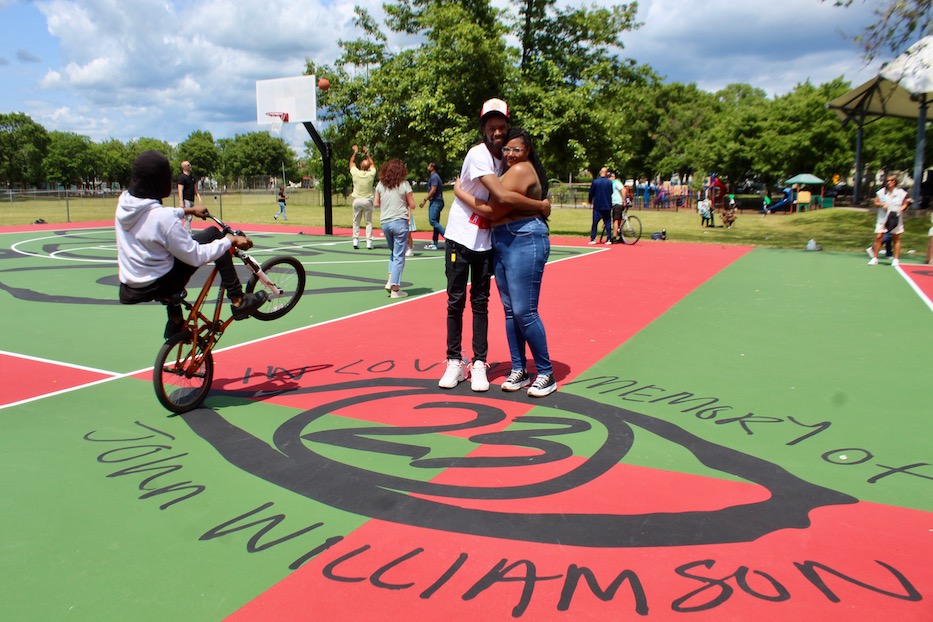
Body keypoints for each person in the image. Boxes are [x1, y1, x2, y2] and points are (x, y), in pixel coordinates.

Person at [438, 97, 549, 392]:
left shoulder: (507, 158)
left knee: (482, 304)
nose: (497, 132)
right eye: (491, 127)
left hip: (488, 240)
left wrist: (459, 190)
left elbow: (497, 205)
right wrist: (541, 205)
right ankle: (453, 361)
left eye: (502, 126)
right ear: (483, 128)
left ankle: (478, 364)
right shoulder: (478, 154)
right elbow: (498, 196)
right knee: (455, 300)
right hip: (462, 237)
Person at [116, 151, 266, 338]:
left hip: (131, 285)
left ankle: (176, 321)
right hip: (159, 284)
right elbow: (196, 256)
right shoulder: (163, 220)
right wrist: (230, 240)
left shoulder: (124, 203)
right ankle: (238, 299)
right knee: (213, 236)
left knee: (165, 255)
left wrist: (187, 210)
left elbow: (152, 213)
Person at [374, 159, 415, 298]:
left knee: (394, 252)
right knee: (399, 255)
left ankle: (390, 280)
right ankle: (395, 288)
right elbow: (412, 204)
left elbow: (376, 203)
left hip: (385, 222)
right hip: (400, 221)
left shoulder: (380, 185)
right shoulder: (404, 184)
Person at [868, 174, 910, 266]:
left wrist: (900, 209)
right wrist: (882, 204)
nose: (889, 182)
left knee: (896, 237)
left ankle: (896, 259)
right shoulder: (882, 192)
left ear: (895, 182)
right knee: (879, 237)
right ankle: (875, 258)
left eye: (891, 181)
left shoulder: (900, 192)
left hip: (895, 217)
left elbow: (905, 204)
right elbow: (875, 202)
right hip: (883, 218)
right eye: (887, 181)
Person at [350, 145, 376, 249]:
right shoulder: (371, 175)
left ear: (360, 166)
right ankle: (369, 241)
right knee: (368, 222)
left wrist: (355, 152)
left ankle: (355, 240)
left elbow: (351, 162)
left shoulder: (356, 173)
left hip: (357, 200)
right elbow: (373, 164)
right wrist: (367, 154)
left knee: (356, 221)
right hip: (367, 200)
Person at [421, 162, 445, 250]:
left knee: (432, 221)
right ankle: (435, 243)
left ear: (432, 167)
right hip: (437, 201)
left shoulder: (434, 177)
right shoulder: (434, 176)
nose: (427, 167)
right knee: (436, 222)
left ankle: (447, 236)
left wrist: (424, 200)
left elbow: (433, 190)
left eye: (429, 166)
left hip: (436, 201)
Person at [588, 167, 612, 244]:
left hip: (598, 205)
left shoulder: (595, 182)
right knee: (607, 223)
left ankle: (593, 238)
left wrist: (590, 200)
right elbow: (611, 192)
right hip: (607, 205)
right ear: (606, 173)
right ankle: (609, 238)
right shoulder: (609, 182)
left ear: (600, 172)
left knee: (595, 223)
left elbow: (591, 192)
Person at [175, 160, 201, 234]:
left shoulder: (192, 177)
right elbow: (180, 190)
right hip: (186, 200)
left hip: (191, 199)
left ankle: (186, 231)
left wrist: (198, 197)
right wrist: (181, 202)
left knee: (190, 217)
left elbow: (195, 188)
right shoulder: (182, 178)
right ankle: (187, 233)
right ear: (185, 167)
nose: (190, 166)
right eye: (189, 165)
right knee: (187, 217)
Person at [610, 172, 626, 242]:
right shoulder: (613, 183)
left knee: (616, 220)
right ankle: (620, 234)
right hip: (616, 203)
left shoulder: (615, 182)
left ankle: (614, 237)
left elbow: (623, 190)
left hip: (617, 203)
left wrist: (623, 200)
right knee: (618, 219)